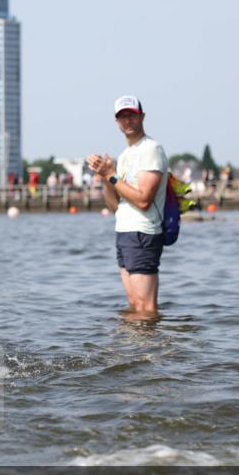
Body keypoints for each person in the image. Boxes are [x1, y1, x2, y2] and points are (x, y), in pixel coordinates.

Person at [87, 95, 169, 316]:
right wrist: (106, 178)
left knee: (146, 307)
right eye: (122, 116)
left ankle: (153, 350)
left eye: (132, 115)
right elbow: (116, 206)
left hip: (143, 232)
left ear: (142, 117)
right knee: (134, 305)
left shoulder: (151, 149)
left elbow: (143, 200)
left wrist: (112, 176)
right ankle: (135, 350)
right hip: (125, 231)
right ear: (117, 122)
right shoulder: (124, 156)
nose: (128, 120)